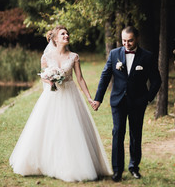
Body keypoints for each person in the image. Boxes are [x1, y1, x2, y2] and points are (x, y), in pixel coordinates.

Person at [9, 25, 111, 182]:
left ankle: (72, 165)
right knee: (49, 129)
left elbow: (80, 79)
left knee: (70, 129)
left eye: (67, 33)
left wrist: (89, 98)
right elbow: (43, 76)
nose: (67, 35)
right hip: (52, 96)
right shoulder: (46, 57)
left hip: (70, 95)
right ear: (55, 39)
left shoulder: (74, 56)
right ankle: (46, 163)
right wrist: (50, 80)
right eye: (63, 34)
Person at [93, 26, 161, 182]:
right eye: (124, 40)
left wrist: (148, 98)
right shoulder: (114, 54)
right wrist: (98, 98)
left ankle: (134, 167)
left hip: (138, 102)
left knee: (135, 135)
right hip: (118, 101)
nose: (127, 44)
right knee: (117, 133)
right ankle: (117, 170)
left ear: (136, 38)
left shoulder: (147, 56)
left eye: (130, 40)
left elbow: (157, 80)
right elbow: (105, 76)